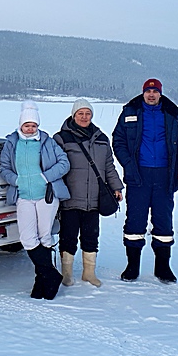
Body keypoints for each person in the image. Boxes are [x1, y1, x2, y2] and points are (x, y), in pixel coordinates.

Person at [112, 78, 178, 283]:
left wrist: (177, 169)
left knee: (163, 221)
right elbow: (118, 140)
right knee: (135, 220)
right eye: (148, 91)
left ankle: (163, 267)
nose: (151, 95)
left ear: (160, 94)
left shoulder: (174, 114)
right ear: (143, 93)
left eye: (155, 92)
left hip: (164, 175)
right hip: (139, 175)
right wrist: (128, 164)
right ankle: (132, 266)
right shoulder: (130, 112)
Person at [0, 101, 70, 300]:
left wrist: (45, 177)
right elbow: (4, 167)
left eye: (33, 125)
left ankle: (42, 281)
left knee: (45, 236)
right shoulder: (12, 143)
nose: (30, 129)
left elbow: (64, 163)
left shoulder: (47, 142)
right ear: (20, 125)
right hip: (23, 196)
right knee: (28, 238)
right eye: (27, 125)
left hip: (45, 195)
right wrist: (15, 180)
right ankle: (51, 275)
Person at [54, 98, 123, 288]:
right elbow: (54, 166)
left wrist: (116, 186)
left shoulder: (101, 138)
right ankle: (66, 274)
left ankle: (89, 273)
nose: (84, 117)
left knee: (91, 236)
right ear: (73, 115)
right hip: (70, 197)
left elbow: (108, 166)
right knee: (68, 237)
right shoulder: (61, 138)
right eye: (80, 113)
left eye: (87, 114)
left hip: (94, 198)